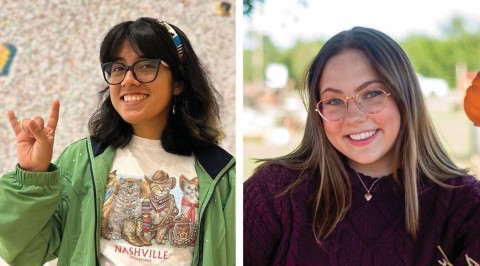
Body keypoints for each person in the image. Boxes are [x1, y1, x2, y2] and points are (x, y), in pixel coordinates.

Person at [0, 17, 235, 266]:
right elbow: (28, 251)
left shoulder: (219, 173)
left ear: (178, 82)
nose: (127, 80)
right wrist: (32, 176)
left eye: (145, 66)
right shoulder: (83, 159)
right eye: (118, 68)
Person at [243, 27, 480, 265]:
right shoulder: (272, 194)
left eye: (372, 93)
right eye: (334, 101)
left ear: (404, 96)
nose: (353, 116)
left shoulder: (464, 204)